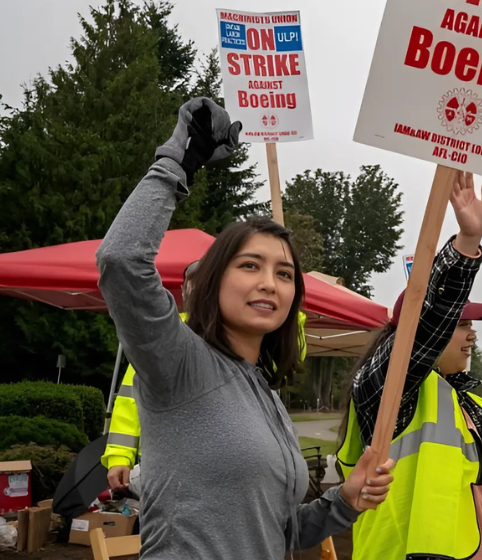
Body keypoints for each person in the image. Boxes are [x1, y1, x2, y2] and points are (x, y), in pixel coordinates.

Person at [96, 98, 393, 558]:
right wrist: (176, 163)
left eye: (284, 274)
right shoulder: (180, 362)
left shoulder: (265, 394)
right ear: (215, 280)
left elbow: (277, 532)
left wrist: (344, 501)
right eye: (250, 265)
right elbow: (121, 261)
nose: (269, 283)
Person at [338, 170, 482, 560]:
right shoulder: (389, 389)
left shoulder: (475, 408)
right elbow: (427, 325)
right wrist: (466, 245)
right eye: (461, 324)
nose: (472, 334)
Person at [103, 261, 310, 494]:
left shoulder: (239, 331)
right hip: (169, 463)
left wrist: (288, 311)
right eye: (190, 286)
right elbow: (130, 397)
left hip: (236, 462)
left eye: (204, 285)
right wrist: (119, 455)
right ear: (183, 291)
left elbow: (288, 358)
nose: (196, 292)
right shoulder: (166, 333)